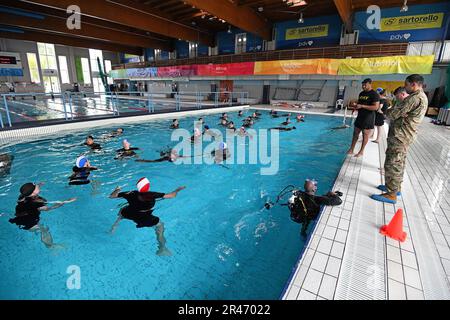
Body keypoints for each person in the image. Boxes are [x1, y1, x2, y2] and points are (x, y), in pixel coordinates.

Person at [371, 74, 428, 204]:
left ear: (413, 84)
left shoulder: (414, 98)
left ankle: (391, 194)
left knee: (392, 163)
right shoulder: (422, 97)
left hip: (400, 135)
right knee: (399, 162)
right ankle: (395, 188)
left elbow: (393, 114)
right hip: (405, 134)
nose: (405, 87)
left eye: (406, 85)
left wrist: (390, 111)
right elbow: (400, 113)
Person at [108, 178, 186, 256]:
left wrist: (117, 190)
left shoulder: (130, 193)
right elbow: (172, 195)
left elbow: (111, 196)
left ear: (137, 186)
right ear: (148, 187)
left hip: (130, 213)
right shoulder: (152, 194)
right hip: (144, 217)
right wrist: (177, 190)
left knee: (122, 210)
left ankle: (114, 227)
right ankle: (162, 248)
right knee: (160, 226)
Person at [9, 182, 76, 248]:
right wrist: (65, 201)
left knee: (40, 226)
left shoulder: (23, 197)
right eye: (36, 186)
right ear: (33, 193)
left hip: (21, 218)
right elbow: (50, 208)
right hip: (30, 223)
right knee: (44, 230)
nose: (37, 185)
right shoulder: (35, 203)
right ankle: (50, 246)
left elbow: (32, 191)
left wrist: (39, 185)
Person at [346, 78, 380, 158]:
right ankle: (351, 149)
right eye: (362, 85)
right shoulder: (361, 93)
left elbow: (376, 107)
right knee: (355, 133)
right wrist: (356, 107)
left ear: (370, 84)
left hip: (368, 117)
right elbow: (359, 103)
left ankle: (361, 151)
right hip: (360, 116)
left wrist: (362, 106)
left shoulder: (374, 94)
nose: (363, 86)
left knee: (365, 134)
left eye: (365, 85)